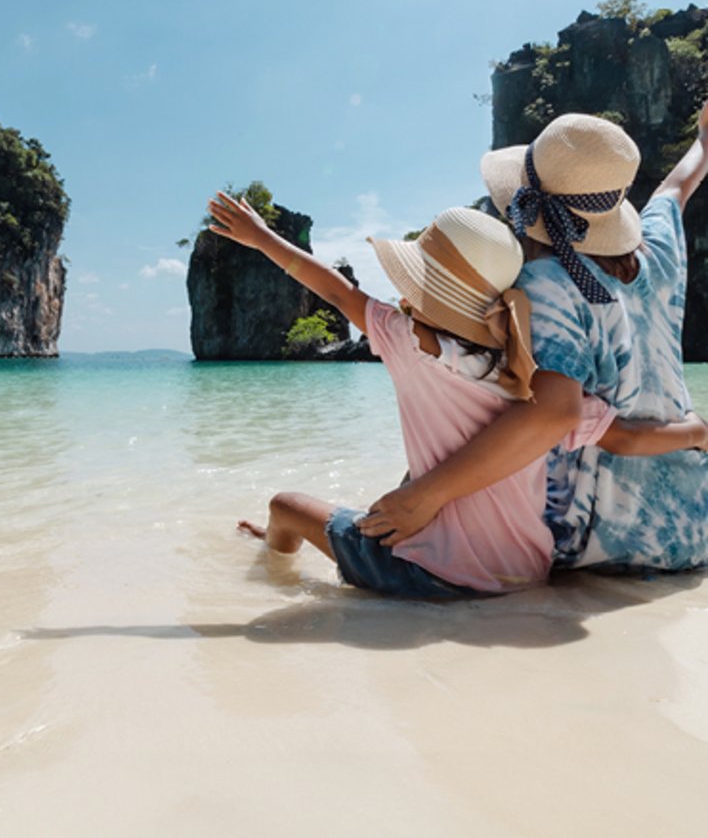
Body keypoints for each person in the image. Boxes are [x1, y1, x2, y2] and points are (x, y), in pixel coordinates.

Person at [208, 191, 707, 597]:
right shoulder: (538, 384)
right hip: (526, 571)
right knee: (408, 487)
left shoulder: (406, 344)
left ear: (414, 297)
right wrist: (696, 433)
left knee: (286, 505)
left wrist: (261, 238)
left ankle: (271, 566)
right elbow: (628, 440)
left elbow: (336, 291)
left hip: (433, 578)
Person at [358, 104, 708, 573]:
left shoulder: (548, 282)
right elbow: (676, 188)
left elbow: (554, 414)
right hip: (690, 526)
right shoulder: (658, 252)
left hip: (595, 545)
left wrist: (424, 496)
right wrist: (703, 141)